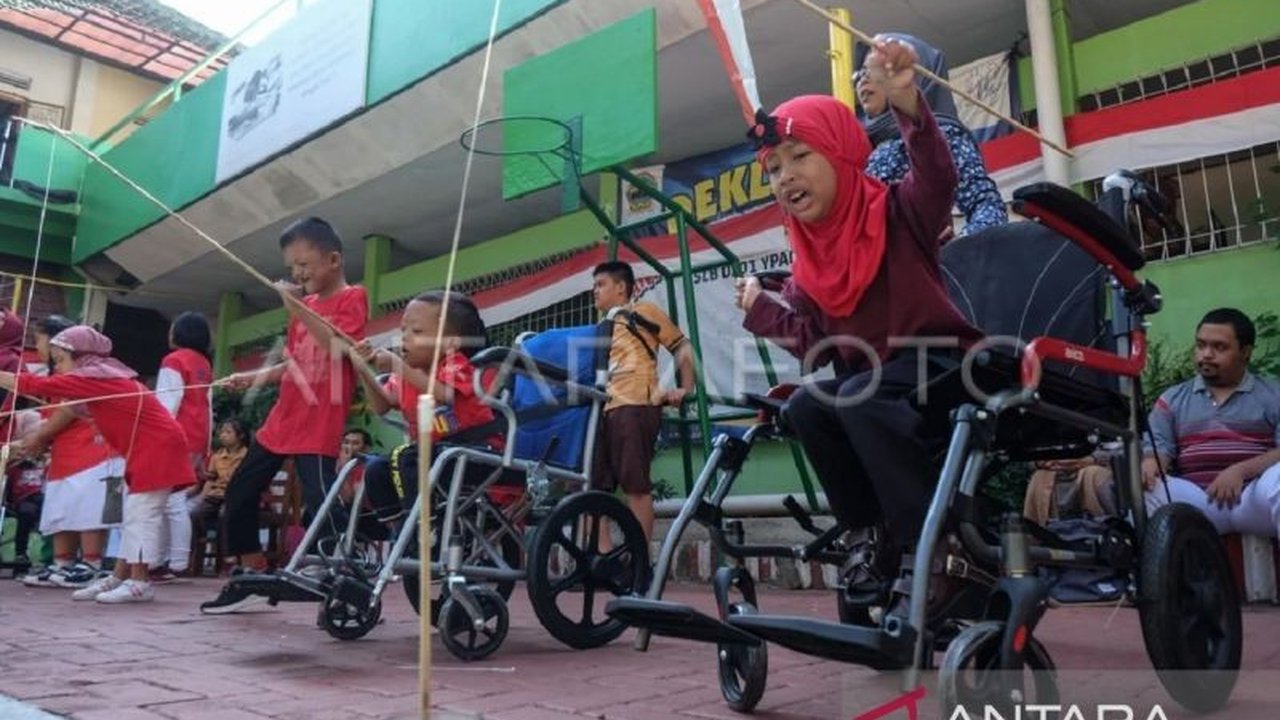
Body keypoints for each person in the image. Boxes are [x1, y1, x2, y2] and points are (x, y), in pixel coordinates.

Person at [735, 37, 982, 621]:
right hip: (870, 385)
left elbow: (938, 180)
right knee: (807, 407)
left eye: (799, 156)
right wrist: (759, 309)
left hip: (943, 365)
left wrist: (909, 107)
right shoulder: (808, 260)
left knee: (857, 398)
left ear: (842, 154)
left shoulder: (897, 211)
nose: (784, 176)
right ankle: (866, 536)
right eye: (773, 168)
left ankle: (934, 547)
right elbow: (817, 346)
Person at [200, 217, 368, 614]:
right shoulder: (304, 305)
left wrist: (293, 304)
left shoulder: (352, 297)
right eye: (292, 267)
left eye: (305, 265)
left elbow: (335, 346)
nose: (297, 274)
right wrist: (254, 376)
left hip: (321, 417)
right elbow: (295, 364)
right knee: (238, 492)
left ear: (334, 260)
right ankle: (251, 572)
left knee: (321, 502)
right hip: (283, 418)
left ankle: (351, 582)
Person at [0, 326, 196, 603]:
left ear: (80, 356)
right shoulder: (100, 376)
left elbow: (36, 386)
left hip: (156, 449)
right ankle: (119, 577)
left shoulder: (92, 377)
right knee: (133, 516)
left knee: (141, 516)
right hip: (149, 448)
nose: (58, 367)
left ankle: (140, 583)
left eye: (60, 360)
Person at [351, 291, 498, 530]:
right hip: (432, 458)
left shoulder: (455, 364)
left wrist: (398, 366)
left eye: (417, 332)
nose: (405, 338)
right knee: (377, 469)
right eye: (403, 331)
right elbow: (382, 405)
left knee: (407, 457)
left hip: (476, 452)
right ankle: (401, 532)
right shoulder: (408, 373)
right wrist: (363, 370)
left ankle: (420, 531)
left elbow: (445, 395)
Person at [854, 33, 1006, 239]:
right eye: (860, 73)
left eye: (875, 70)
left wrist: (952, 254)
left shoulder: (940, 136)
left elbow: (988, 207)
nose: (863, 79)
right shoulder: (862, 144)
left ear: (915, 74)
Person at [1144, 308, 1280, 537]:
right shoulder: (1172, 399)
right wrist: (1151, 463)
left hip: (1252, 500)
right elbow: (1159, 449)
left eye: (1219, 347)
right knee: (1145, 491)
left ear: (1245, 352)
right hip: (1198, 501)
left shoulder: (1273, 395)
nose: (1206, 354)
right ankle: (1153, 573)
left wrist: (1240, 471)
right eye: (1201, 345)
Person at [591, 261, 695, 543]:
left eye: (601, 284)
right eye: (594, 285)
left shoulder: (643, 311)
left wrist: (685, 388)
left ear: (622, 287)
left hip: (635, 406)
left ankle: (637, 563)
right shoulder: (602, 326)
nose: (595, 291)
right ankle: (602, 560)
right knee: (593, 488)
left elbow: (681, 345)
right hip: (602, 409)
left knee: (635, 486)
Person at [17, 315, 120, 589]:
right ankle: (63, 564)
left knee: (88, 509)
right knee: (62, 508)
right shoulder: (57, 375)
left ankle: (91, 564)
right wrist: (36, 438)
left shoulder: (86, 373)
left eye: (39, 340)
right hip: (65, 452)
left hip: (92, 450)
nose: (39, 347)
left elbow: (69, 408)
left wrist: (39, 435)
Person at [151, 311, 213, 582]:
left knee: (168, 500)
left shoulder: (173, 361)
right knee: (172, 499)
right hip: (196, 438)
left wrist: (155, 438)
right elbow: (208, 406)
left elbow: (167, 403)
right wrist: (206, 448)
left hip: (174, 436)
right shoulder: (203, 364)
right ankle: (170, 560)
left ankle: (170, 561)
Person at [188, 418, 250, 570]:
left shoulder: (248, 456)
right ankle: (191, 556)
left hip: (236, 496)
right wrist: (202, 496)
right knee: (195, 513)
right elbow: (211, 479)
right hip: (216, 495)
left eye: (228, 432)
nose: (223, 435)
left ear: (241, 436)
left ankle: (228, 558)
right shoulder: (217, 457)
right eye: (222, 432)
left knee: (225, 514)